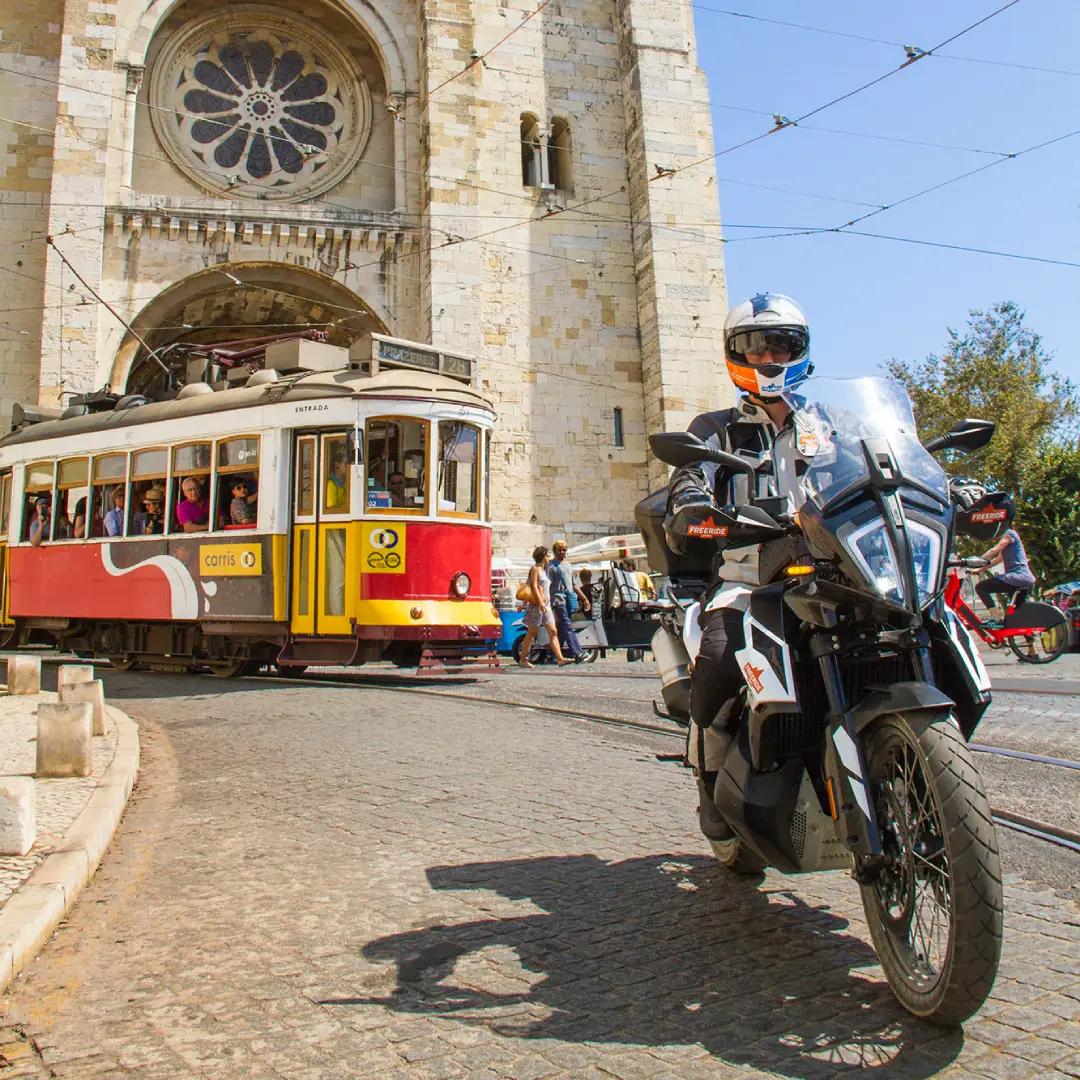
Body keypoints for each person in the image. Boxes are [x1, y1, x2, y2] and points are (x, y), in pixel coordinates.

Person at [663, 292, 813, 846]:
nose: (770, 357)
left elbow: (884, 456)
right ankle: (709, 779)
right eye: (757, 345)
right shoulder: (718, 427)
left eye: (783, 344)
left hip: (829, 569)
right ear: (737, 354)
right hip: (748, 576)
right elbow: (691, 472)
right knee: (721, 655)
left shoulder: (829, 423)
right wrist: (691, 500)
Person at [518, 546, 573, 668]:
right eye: (548, 555)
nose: (549, 558)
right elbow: (532, 586)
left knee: (553, 631)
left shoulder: (543, 570)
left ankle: (560, 658)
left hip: (546, 606)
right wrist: (535, 603)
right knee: (531, 633)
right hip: (537, 606)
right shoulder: (535, 569)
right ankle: (523, 659)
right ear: (544, 556)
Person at [976, 526, 1035, 621]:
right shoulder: (1012, 543)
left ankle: (995, 619)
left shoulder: (1009, 533)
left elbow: (994, 550)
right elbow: (996, 560)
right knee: (1016, 616)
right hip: (1026, 579)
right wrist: (979, 569)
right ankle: (1026, 633)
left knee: (981, 587)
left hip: (1017, 577)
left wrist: (974, 562)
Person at [547, 540, 586, 661]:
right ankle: (577, 652)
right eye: (560, 550)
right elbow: (547, 585)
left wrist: (585, 599)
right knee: (567, 625)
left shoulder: (569, 566)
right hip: (558, 600)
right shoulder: (551, 566)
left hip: (569, 599)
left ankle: (553, 654)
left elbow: (574, 585)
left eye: (564, 550)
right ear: (555, 551)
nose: (562, 552)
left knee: (564, 627)